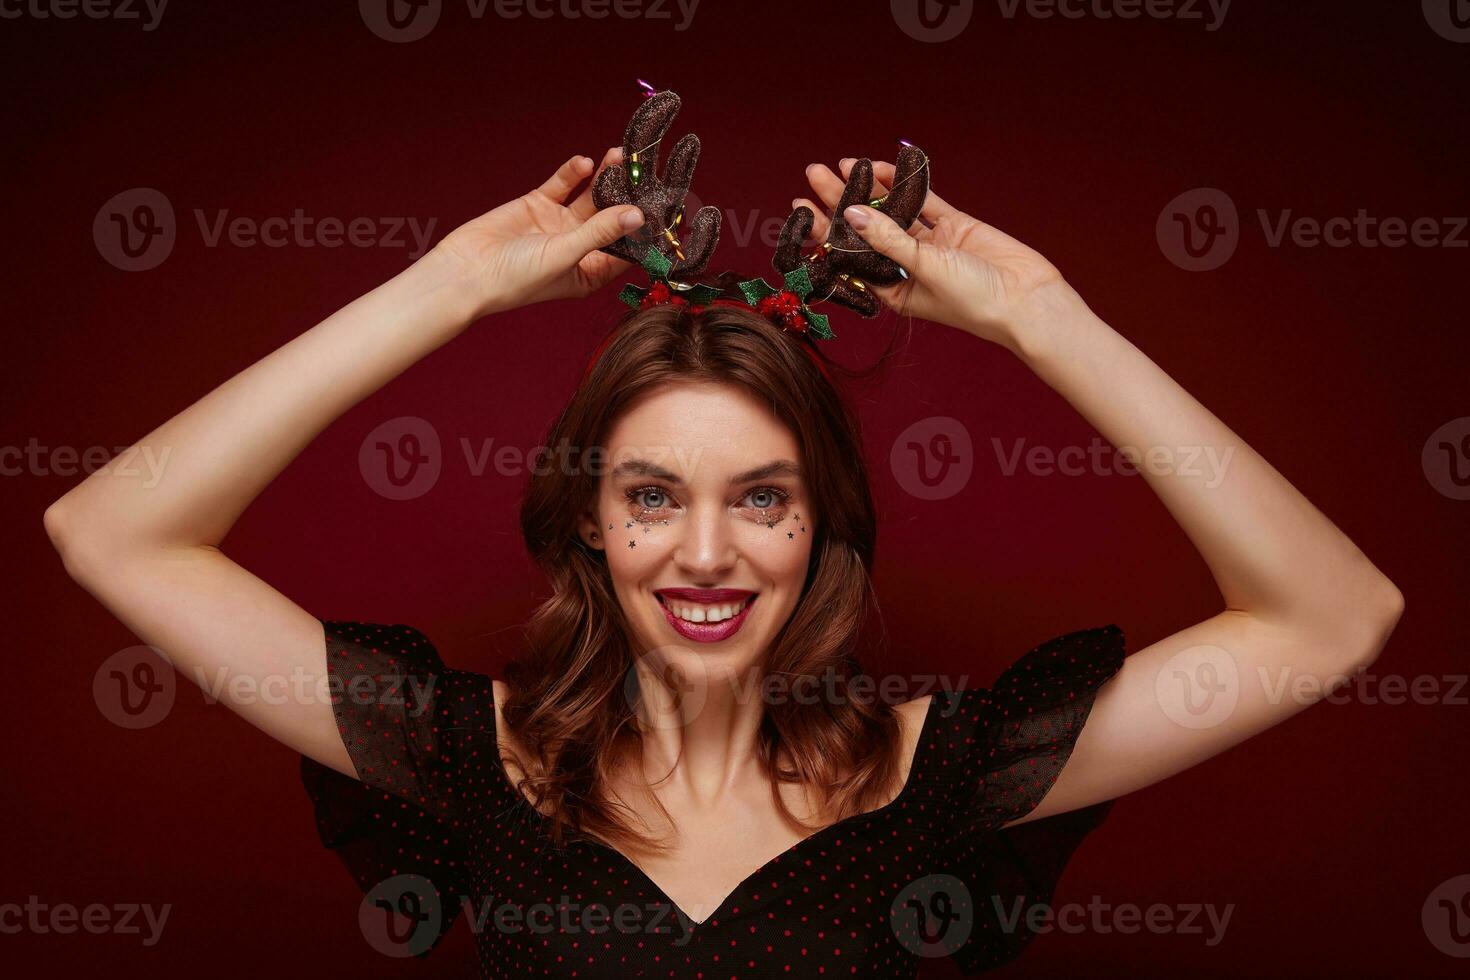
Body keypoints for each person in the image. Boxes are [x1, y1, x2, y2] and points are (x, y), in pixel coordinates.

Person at [44, 142, 1403, 977]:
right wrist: (441, 289)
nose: (706, 553)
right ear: (589, 518)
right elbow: (110, 529)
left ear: (821, 526)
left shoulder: (940, 772)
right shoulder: (459, 754)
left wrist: (1051, 324)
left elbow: (1331, 617)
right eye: (651, 494)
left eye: (762, 498)